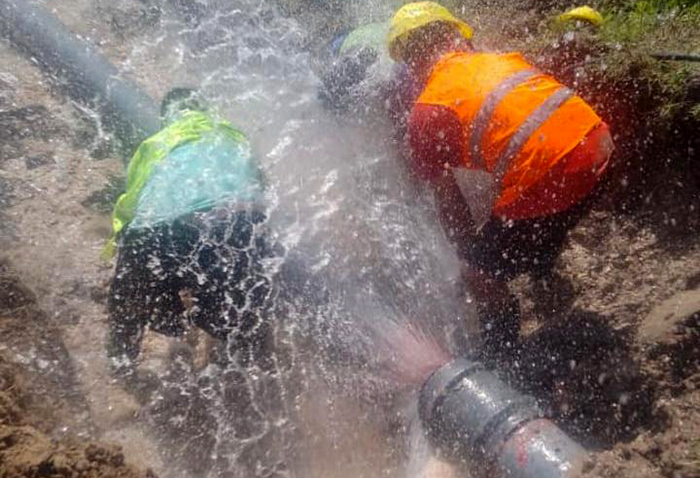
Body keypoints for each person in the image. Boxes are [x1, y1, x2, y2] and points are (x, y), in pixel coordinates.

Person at [386, 2, 614, 356]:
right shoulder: (503, 59)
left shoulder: (427, 110)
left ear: (411, 60)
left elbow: (449, 201)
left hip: (555, 178)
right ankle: (541, 263)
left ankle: (505, 355)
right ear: (457, 36)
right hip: (601, 148)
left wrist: (471, 261)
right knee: (524, 211)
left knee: (480, 273)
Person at [104, 89, 276, 377]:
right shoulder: (235, 137)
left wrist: (123, 257)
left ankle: (121, 367)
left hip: (156, 231)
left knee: (129, 306)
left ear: (167, 119)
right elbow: (264, 197)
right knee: (247, 320)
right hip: (228, 224)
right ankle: (250, 375)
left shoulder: (156, 143)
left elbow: (128, 209)